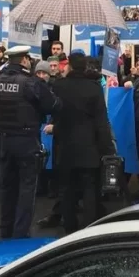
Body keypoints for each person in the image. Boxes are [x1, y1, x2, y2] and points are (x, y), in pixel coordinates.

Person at [0, 47, 61, 238]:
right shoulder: (30, 83)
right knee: (27, 189)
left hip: (4, 140)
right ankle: (20, 235)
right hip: (27, 140)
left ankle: (5, 231)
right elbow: (53, 105)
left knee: (7, 187)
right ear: (25, 60)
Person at [49, 52, 113, 233]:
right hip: (89, 147)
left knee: (67, 189)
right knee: (90, 189)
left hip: (65, 146)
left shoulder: (59, 86)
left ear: (68, 65)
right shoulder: (94, 88)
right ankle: (88, 229)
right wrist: (108, 148)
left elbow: (55, 113)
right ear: (85, 67)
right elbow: (101, 122)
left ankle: (69, 228)